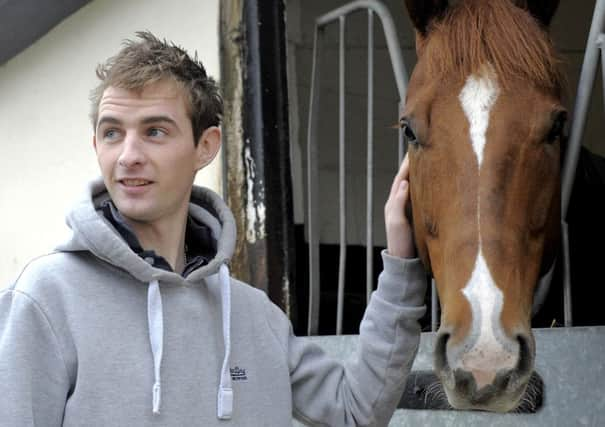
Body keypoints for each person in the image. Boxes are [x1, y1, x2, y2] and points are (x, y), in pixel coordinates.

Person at [0, 31, 426, 426]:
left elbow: (357, 411)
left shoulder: (254, 316)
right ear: (96, 145)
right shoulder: (44, 300)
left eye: (154, 131)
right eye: (112, 133)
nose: (128, 155)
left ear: (205, 147)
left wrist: (402, 266)